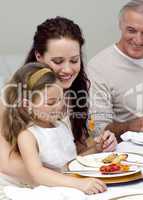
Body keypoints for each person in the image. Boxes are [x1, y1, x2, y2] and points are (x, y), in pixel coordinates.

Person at [0, 17, 117, 185]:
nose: (68, 69)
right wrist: (67, 178)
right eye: (58, 61)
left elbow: (70, 150)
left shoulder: (74, 92)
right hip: (23, 185)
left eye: (74, 60)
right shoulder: (12, 98)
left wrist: (100, 145)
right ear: (39, 56)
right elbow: (6, 164)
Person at [1, 62, 107, 194]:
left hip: (71, 182)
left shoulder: (61, 125)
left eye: (60, 99)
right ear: (26, 105)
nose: (59, 106)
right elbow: (37, 173)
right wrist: (78, 184)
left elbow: (70, 163)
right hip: (48, 189)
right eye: (51, 102)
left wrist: (97, 148)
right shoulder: (28, 135)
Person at [87, 0, 143, 140]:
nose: (139, 40)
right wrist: (131, 126)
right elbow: (99, 131)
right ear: (120, 26)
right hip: (128, 153)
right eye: (131, 30)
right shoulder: (99, 67)